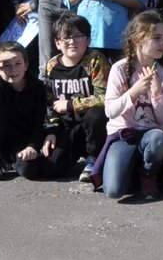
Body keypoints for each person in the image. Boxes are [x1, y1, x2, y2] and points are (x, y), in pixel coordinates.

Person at [99, 10, 163, 200]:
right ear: (137, 40)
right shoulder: (119, 69)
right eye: (156, 38)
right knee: (113, 191)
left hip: (150, 135)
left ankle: (148, 172)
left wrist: (157, 93)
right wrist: (133, 93)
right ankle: (132, 170)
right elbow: (110, 111)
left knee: (159, 139)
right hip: (123, 135)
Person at [42, 12, 111, 184]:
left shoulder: (95, 61)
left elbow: (105, 98)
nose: (72, 42)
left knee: (97, 114)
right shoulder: (52, 65)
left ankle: (94, 157)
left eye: (78, 37)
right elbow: (50, 102)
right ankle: (77, 154)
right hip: (68, 126)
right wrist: (52, 130)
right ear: (58, 43)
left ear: (87, 40)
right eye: (66, 38)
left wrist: (71, 104)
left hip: (92, 124)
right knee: (51, 168)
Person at [0, 42, 52, 180]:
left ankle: (12, 161)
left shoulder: (37, 87)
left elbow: (40, 122)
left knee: (28, 170)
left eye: (17, 64)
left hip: (24, 139)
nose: (13, 70)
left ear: (26, 65)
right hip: (3, 138)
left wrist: (32, 146)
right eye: (6, 65)